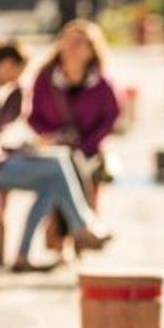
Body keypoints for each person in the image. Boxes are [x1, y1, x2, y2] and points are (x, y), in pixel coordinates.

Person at [0, 39, 111, 272]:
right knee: (59, 161)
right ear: (8, 64)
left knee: (51, 182)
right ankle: (81, 225)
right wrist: (14, 108)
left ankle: (24, 254)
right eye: (18, 73)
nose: (16, 80)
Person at [27, 19, 120, 254]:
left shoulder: (102, 83)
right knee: (56, 180)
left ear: (92, 50)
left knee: (86, 183)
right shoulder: (46, 78)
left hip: (89, 151)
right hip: (54, 149)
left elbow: (111, 118)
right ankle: (59, 243)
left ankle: (82, 239)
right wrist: (51, 137)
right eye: (68, 41)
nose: (73, 48)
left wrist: (86, 145)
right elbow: (33, 116)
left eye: (80, 43)